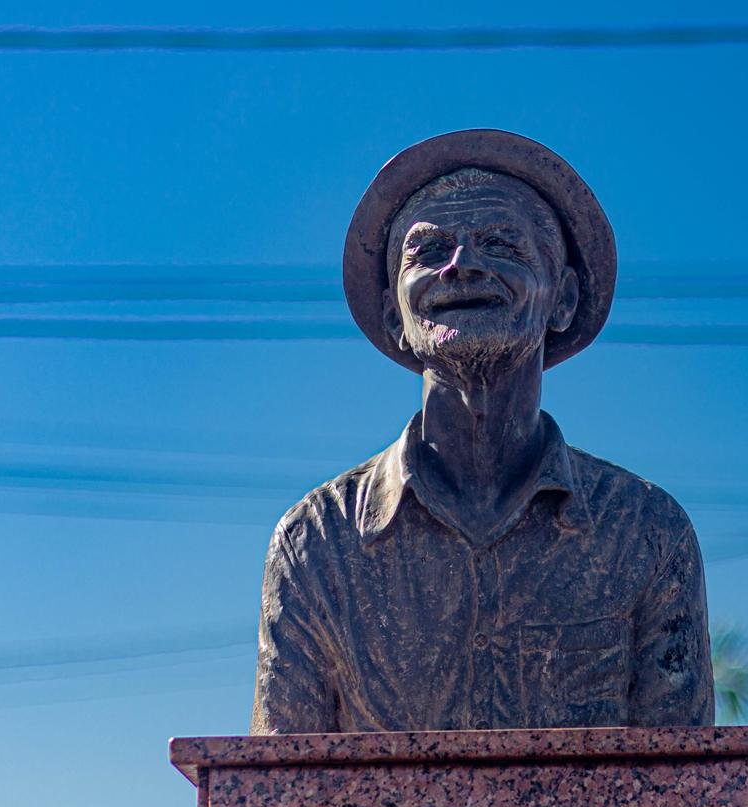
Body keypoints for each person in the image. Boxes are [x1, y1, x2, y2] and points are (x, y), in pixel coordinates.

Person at [250, 129, 714, 734]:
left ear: (564, 300)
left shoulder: (645, 533)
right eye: (428, 252)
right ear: (394, 312)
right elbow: (276, 800)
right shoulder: (318, 544)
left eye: (500, 244)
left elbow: (689, 794)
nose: (461, 264)